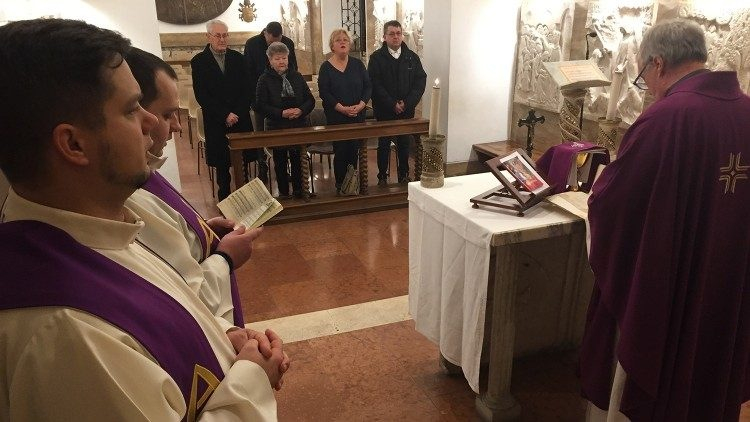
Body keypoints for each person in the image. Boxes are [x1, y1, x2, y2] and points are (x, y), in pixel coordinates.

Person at [0, 18, 285, 420]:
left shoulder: (101, 231)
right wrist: (254, 377)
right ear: (74, 144)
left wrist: (224, 338)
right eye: (132, 108)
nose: (151, 122)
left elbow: (166, 314)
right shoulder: (66, 328)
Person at [580, 19, 750, 421]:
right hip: (728, 279)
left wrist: (600, 187)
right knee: (711, 363)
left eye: (644, 77)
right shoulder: (746, 111)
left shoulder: (666, 118)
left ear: (657, 63)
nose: (649, 88)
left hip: (674, 284)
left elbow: (614, 204)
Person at [125, 47, 256, 327]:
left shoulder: (144, 172)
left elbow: (170, 232)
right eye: (167, 114)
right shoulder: (127, 192)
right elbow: (184, 300)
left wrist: (200, 230)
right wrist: (226, 257)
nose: (177, 126)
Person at [192, 19, 263, 200]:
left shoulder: (238, 58)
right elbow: (202, 95)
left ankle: (246, 197)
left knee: (244, 161)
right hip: (217, 119)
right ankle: (225, 198)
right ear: (208, 37)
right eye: (218, 36)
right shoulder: (199, 62)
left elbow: (248, 90)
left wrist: (236, 113)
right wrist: (225, 114)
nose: (222, 39)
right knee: (222, 163)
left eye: (225, 35)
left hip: (240, 117)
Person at [368, 20, 426, 186]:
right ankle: (382, 175)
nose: (395, 37)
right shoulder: (376, 58)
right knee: (384, 143)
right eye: (392, 34)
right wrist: (392, 103)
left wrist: (407, 103)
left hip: (406, 110)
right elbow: (375, 84)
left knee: (404, 143)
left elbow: (420, 81)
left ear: (402, 36)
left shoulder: (412, 57)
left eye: (398, 33)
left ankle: (404, 174)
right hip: (384, 110)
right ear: (384, 37)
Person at [255, 41, 315, 199]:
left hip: (298, 124)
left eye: (284, 58)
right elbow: (260, 105)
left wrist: (300, 110)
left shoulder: (297, 76)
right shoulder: (264, 79)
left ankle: (300, 191)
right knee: (280, 161)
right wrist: (281, 113)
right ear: (270, 61)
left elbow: (310, 100)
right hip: (277, 126)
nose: (281, 61)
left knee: (298, 160)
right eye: (277, 58)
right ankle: (283, 193)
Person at [318, 28, 372, 194]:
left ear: (350, 44)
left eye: (345, 40)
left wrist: (361, 105)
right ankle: (341, 185)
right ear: (332, 46)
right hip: (337, 117)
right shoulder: (326, 67)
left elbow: (368, 87)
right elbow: (324, 92)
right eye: (338, 40)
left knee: (354, 151)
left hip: (357, 115)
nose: (342, 42)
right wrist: (341, 108)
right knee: (341, 151)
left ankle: (352, 185)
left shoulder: (358, 64)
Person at [244, 21, 298, 131]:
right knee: (261, 132)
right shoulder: (252, 44)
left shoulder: (288, 42)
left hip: (284, 99)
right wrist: (254, 98)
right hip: (260, 97)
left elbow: (293, 67)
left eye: (278, 41)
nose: (275, 45)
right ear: (266, 33)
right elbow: (248, 73)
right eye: (272, 42)